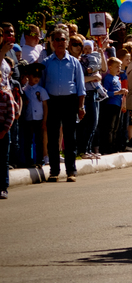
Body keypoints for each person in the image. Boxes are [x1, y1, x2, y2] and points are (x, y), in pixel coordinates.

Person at [40, 28, 86, 181]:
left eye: (63, 39)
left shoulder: (74, 62)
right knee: (53, 137)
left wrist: (81, 107)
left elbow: (81, 87)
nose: (60, 42)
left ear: (67, 42)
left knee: (70, 137)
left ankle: (71, 171)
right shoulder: (46, 63)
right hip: (52, 102)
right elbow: (41, 86)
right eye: (57, 39)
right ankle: (54, 171)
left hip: (69, 101)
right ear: (52, 42)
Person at [0, 22, 22, 197]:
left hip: (5, 105)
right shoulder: (2, 53)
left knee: (4, 151)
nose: (8, 36)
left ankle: (3, 186)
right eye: (4, 33)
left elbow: (12, 79)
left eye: (10, 33)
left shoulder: (10, 53)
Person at [98, 57, 127, 155]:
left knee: (116, 127)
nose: (119, 69)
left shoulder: (117, 78)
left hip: (118, 104)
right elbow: (105, 93)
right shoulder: (108, 78)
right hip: (111, 104)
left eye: (120, 66)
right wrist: (118, 92)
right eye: (117, 67)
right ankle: (107, 148)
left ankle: (114, 146)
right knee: (109, 127)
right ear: (110, 67)